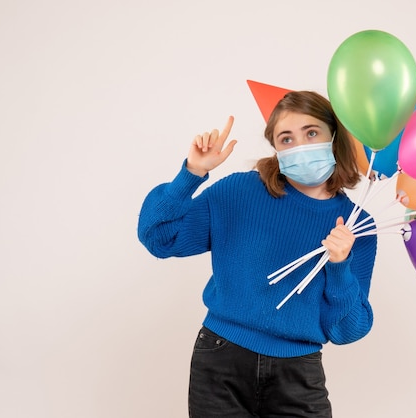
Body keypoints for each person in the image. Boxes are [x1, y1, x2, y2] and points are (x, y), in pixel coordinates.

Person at [137, 91, 377, 418]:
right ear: (276, 149)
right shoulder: (239, 192)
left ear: (333, 137)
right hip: (222, 361)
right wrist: (191, 173)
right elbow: (158, 237)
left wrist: (339, 267)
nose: (301, 146)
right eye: (286, 138)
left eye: (311, 133)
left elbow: (347, 330)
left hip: (299, 375)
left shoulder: (357, 226)